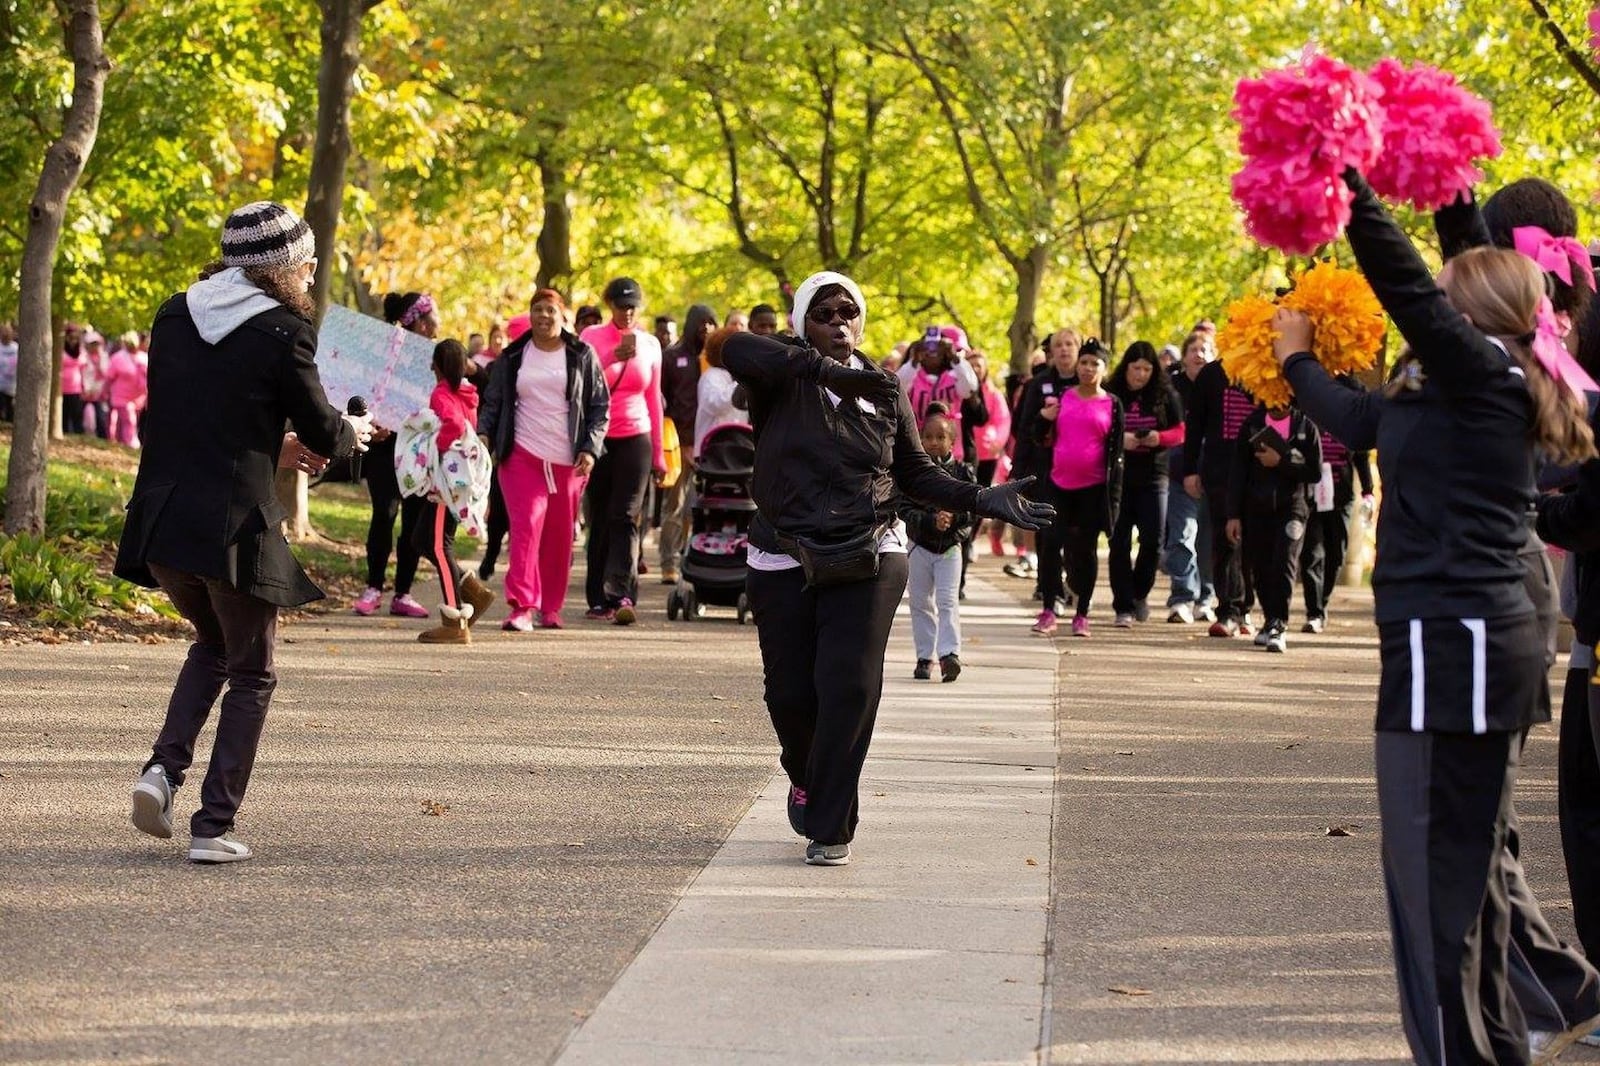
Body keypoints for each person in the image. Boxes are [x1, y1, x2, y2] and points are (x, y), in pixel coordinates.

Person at [1280, 169, 1600, 1065]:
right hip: (1461, 643)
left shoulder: (1483, 366)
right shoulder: (1487, 367)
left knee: (1437, 891)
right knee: (1470, 877)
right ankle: (1512, 1033)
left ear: (1473, 312)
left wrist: (1343, 177)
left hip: (1454, 648)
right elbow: (1449, 279)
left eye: (1452, 292)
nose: (1436, 302)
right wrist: (1444, 176)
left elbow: (1409, 280)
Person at [723, 270, 1052, 866]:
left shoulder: (883, 386)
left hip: (870, 548)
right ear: (802, 323)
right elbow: (735, 347)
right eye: (823, 313)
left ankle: (831, 824)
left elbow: (915, 472)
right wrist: (825, 371)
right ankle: (805, 772)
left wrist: (978, 496)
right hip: (782, 552)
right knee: (791, 697)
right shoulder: (778, 375)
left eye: (848, 312)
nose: (839, 322)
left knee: (847, 686)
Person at [117, 201, 371, 864]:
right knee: (254, 670)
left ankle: (161, 772)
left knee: (212, 645)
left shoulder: (174, 314)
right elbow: (324, 431)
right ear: (283, 268)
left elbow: (200, 417)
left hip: (164, 519)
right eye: (309, 265)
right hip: (233, 527)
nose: (313, 278)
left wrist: (274, 448)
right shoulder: (284, 329)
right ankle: (213, 825)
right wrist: (352, 434)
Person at [478, 288, 609, 632]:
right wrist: (484, 434)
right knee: (525, 528)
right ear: (530, 314)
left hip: (568, 460)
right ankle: (521, 605)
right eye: (537, 309)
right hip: (521, 454)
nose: (543, 316)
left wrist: (591, 448)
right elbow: (492, 402)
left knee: (558, 536)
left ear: (562, 315)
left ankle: (550, 607)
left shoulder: (582, 354)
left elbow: (599, 407)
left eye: (550, 310)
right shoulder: (513, 355)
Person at [579, 277, 666, 624]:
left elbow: (654, 400)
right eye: (620, 306)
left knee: (627, 516)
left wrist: (659, 454)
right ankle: (598, 597)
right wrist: (611, 356)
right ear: (610, 306)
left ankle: (622, 594)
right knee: (599, 517)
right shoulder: (591, 338)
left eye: (632, 307)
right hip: (599, 437)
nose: (626, 313)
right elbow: (581, 381)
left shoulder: (651, 345)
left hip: (636, 436)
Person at [400, 338, 493, 644]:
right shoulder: (466, 393)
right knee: (421, 539)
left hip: (445, 483)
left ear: (438, 366)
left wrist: (435, 450)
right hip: (456, 480)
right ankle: (472, 591)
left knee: (439, 546)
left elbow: (451, 425)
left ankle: (455, 621)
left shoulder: (442, 393)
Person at [352, 292, 438, 619]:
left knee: (413, 520)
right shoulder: (384, 351)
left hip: (419, 449)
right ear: (418, 319)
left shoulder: (436, 355)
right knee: (384, 515)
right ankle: (373, 587)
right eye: (432, 317)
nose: (436, 325)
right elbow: (362, 389)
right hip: (385, 447)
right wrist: (374, 421)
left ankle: (403, 593)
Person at [1031, 338, 1123, 637]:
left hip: (1093, 489)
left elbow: (1118, 455)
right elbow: (1038, 436)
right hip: (1058, 484)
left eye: (1094, 363)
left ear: (1104, 369)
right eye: (1084, 362)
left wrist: (1114, 501)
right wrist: (1042, 420)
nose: (1087, 368)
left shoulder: (1112, 404)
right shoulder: (1063, 397)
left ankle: (1082, 612)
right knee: (1050, 546)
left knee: (1085, 552)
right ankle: (1048, 607)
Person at [1226, 401, 1321, 653]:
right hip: (1257, 508)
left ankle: (1279, 623)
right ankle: (1269, 619)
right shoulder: (1252, 424)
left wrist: (1282, 461)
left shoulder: (1305, 426)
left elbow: (1314, 472)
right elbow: (1238, 470)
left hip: (1293, 508)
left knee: (1285, 561)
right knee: (1261, 565)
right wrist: (1233, 514)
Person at [1183, 334, 1257, 637]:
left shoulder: (1269, 371)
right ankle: (1228, 609)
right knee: (1224, 539)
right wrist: (1190, 470)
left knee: (1253, 543)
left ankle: (1246, 608)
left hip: (1260, 472)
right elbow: (1195, 426)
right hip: (1219, 471)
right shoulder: (1212, 375)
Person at [1106, 341, 1184, 627]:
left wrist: (1158, 438)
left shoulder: (1165, 395)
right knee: (1119, 541)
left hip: (1154, 475)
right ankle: (1122, 605)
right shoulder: (1112, 393)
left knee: (1153, 540)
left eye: (1147, 369)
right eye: (1136, 368)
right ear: (1126, 367)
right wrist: (1120, 440)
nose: (1141, 375)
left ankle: (1140, 592)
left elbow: (1179, 431)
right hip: (1120, 477)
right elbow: (1099, 427)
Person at [901, 409, 976, 682]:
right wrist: (929, 522)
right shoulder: (911, 472)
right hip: (919, 546)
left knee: (947, 601)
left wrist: (953, 519)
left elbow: (973, 508)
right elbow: (904, 509)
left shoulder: (963, 471)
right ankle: (924, 656)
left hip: (950, 549)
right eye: (928, 437)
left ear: (951, 441)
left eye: (940, 436)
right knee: (920, 602)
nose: (934, 442)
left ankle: (949, 655)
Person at [1009, 328, 1083, 591]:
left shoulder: (1088, 383)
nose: (1064, 350)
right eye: (1058, 345)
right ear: (1051, 351)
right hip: (1044, 467)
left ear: (1078, 348)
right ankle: (1047, 586)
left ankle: (1074, 582)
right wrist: (1018, 470)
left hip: (1080, 470)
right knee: (1047, 528)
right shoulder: (1038, 384)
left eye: (1069, 344)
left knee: (1076, 532)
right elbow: (1023, 429)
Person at [1299, 390, 1374, 633]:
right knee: (1312, 554)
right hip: (1311, 495)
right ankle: (1314, 612)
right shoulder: (1307, 419)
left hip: (1341, 496)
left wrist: (1368, 490)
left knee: (1335, 554)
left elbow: (1361, 457)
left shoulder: (1347, 422)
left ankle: (1323, 600)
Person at [659, 304, 718, 584]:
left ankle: (698, 559)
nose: (706, 328)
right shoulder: (672, 358)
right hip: (678, 445)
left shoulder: (718, 361)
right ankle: (668, 562)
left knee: (707, 507)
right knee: (675, 505)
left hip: (714, 447)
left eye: (711, 323)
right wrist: (681, 443)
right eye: (701, 322)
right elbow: (663, 403)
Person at [1163, 330, 1216, 623]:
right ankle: (1182, 595)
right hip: (1177, 473)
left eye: (1205, 349)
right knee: (1182, 537)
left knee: (1209, 540)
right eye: (1193, 349)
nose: (1199, 353)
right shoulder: (1172, 388)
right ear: (1183, 356)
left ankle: (1206, 597)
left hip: (1215, 475)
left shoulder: (1221, 386)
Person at [897, 328, 979, 460]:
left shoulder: (954, 377)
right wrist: (914, 361)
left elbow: (970, 388)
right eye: (927, 348)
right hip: (917, 449)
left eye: (937, 348)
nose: (932, 351)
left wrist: (954, 357)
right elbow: (898, 386)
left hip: (952, 451)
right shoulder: (912, 377)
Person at [695, 325, 747, 455]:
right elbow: (717, 403)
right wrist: (743, 382)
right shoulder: (711, 376)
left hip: (737, 446)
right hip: (713, 450)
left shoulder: (734, 376)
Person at [103, 331, 146, 447]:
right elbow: (109, 378)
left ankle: (120, 442)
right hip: (121, 397)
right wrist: (104, 393)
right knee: (129, 420)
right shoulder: (118, 358)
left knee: (127, 421)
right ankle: (130, 443)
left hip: (139, 398)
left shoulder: (143, 357)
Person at [59, 325, 85, 434]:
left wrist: (84, 386)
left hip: (76, 388)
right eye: (71, 338)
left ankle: (78, 434)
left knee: (77, 414)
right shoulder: (61, 350)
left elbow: (83, 368)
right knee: (64, 413)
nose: (73, 341)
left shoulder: (80, 351)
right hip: (62, 387)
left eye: (75, 338)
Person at [0, 322, 17, 422]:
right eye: (3, 332)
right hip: (0, 385)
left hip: (12, 386)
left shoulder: (16, 348)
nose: (6, 335)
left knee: (10, 410)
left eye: (8, 333)